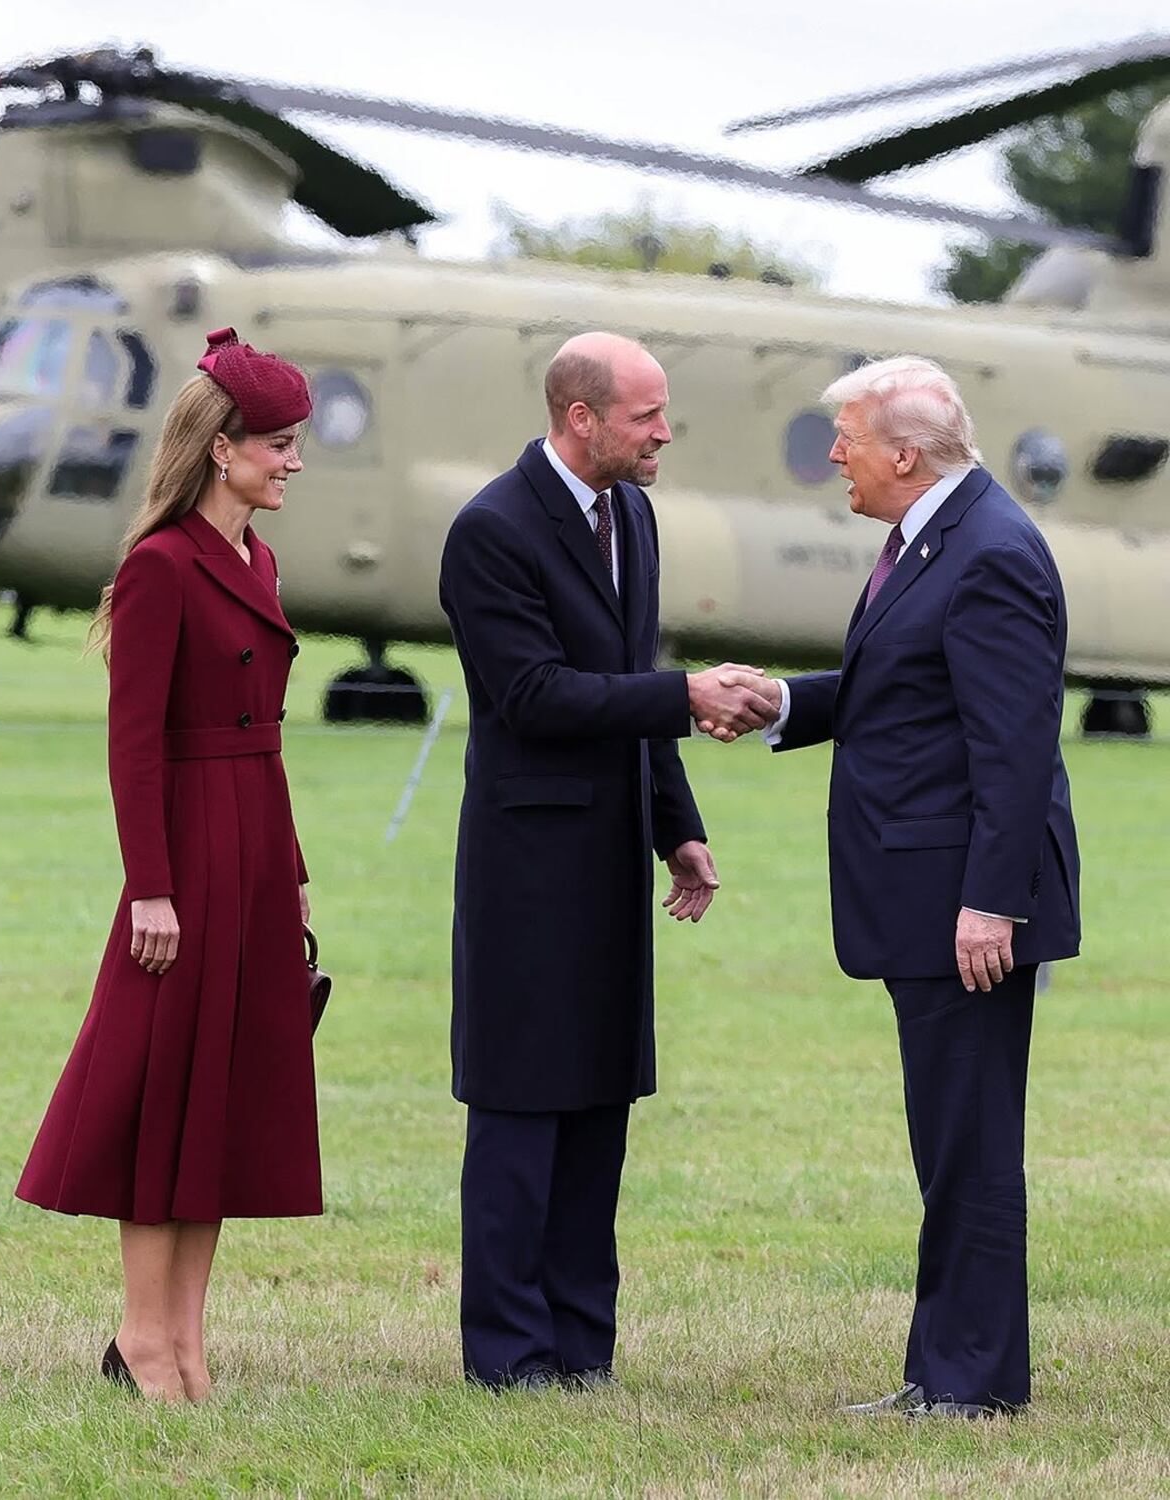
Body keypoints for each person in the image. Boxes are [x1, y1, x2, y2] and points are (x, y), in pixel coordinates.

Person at [725, 355, 1081, 1417]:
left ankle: (971, 1385)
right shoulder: (935, 538)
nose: (833, 455)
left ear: (904, 454)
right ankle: (946, 1372)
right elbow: (905, 689)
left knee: (969, 1144)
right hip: (929, 896)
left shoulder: (991, 552)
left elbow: (1014, 748)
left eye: (846, 438)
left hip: (962, 907)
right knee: (949, 1139)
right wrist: (784, 704)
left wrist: (992, 902)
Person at [439, 331, 775, 1390]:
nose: (664, 433)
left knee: (598, 1106)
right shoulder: (490, 531)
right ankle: (508, 1356)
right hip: (527, 869)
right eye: (646, 416)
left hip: (609, 867)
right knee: (521, 1109)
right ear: (581, 418)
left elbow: (632, 676)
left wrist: (676, 826)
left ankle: (582, 1351)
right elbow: (533, 695)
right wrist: (682, 695)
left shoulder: (632, 514)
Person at [16, 328, 321, 1402]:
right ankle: (144, 1341)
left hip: (251, 848)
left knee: (224, 1105)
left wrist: (289, 876)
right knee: (161, 1099)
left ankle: (186, 1342)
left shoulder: (257, 559)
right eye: (278, 444)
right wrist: (151, 885)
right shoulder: (158, 565)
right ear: (221, 448)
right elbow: (133, 741)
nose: (292, 461)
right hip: (183, 855)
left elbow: (268, 734)